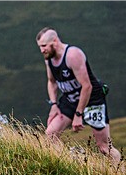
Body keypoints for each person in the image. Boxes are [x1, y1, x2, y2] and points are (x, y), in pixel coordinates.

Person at [36, 27, 121, 162]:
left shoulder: (73, 55)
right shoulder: (49, 58)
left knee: (104, 147)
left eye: (44, 46)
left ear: (55, 41)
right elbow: (52, 82)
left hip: (93, 100)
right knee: (50, 135)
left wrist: (78, 115)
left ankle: (119, 174)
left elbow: (87, 86)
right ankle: (66, 166)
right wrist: (53, 104)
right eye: (40, 47)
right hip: (70, 99)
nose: (42, 50)